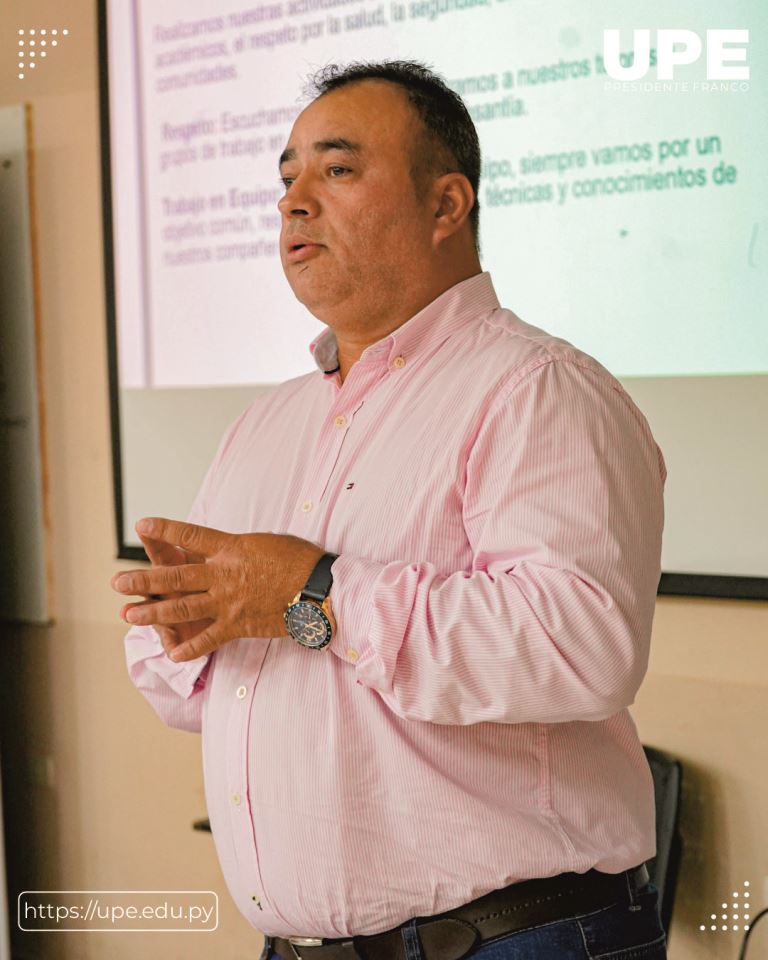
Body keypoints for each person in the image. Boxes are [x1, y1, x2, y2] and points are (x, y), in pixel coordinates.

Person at [114, 60, 669, 960]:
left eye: (335, 169)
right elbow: (178, 678)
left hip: (516, 939)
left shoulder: (537, 389)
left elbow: (582, 646)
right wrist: (188, 626)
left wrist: (314, 594)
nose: (295, 200)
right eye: (286, 176)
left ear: (447, 206)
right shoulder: (264, 425)